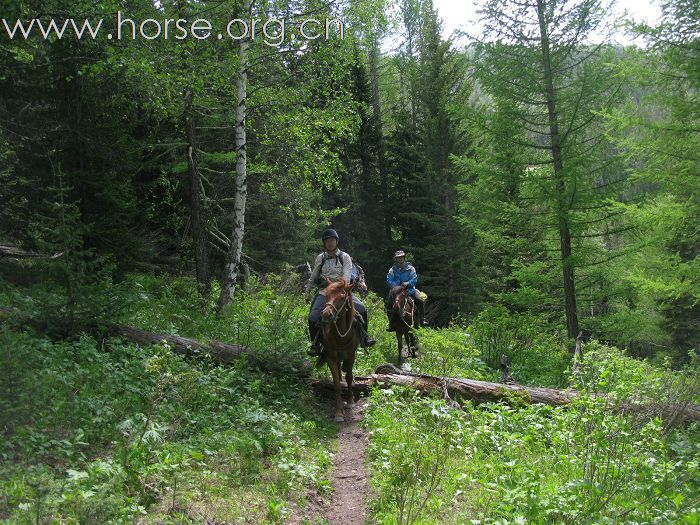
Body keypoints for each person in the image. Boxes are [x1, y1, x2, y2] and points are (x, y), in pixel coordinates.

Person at [305, 229, 376, 356]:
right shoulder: (320, 258)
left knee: (362, 309)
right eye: (327, 241)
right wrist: (308, 290)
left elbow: (346, 277)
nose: (329, 243)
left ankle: (365, 338)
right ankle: (315, 344)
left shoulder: (345, 257)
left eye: (332, 240)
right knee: (312, 317)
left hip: (342, 291)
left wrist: (335, 285)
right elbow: (314, 275)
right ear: (324, 243)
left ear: (336, 241)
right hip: (325, 292)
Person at [385, 250, 427, 329]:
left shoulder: (411, 268)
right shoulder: (392, 270)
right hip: (397, 292)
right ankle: (391, 323)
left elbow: (414, 279)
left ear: (404, 258)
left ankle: (422, 320)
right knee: (389, 305)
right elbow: (389, 280)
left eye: (402, 257)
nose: (400, 259)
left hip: (410, 290)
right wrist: (397, 287)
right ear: (396, 259)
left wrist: (407, 283)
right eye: (398, 257)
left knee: (419, 301)